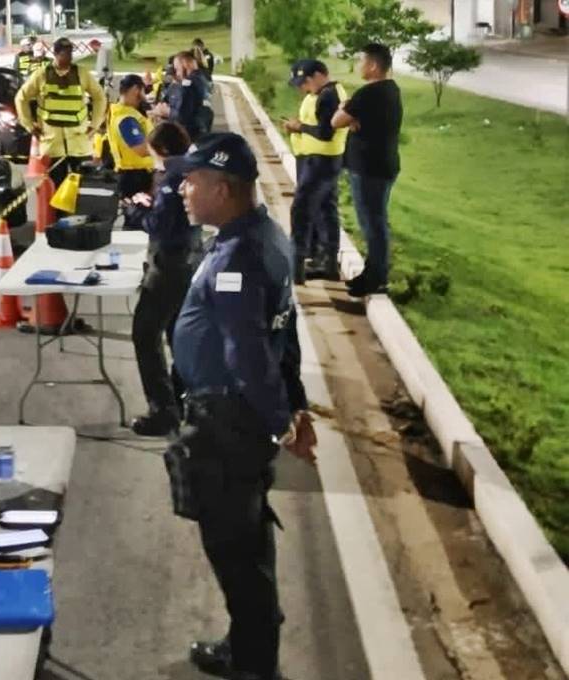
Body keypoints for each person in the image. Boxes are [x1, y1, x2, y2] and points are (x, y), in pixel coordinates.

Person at [168, 132, 316, 680]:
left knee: (235, 550)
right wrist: (295, 407)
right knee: (246, 541)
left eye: (193, 181)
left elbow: (248, 351)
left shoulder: (238, 256)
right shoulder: (263, 235)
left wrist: (284, 422)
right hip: (237, 421)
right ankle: (249, 645)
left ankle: (254, 665)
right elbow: (286, 330)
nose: (183, 189)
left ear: (224, 189)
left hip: (227, 426)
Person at [121, 122, 197, 435]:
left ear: (163, 151)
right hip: (187, 260)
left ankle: (163, 410)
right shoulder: (190, 168)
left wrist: (134, 212)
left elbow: (160, 225)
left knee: (145, 334)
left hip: (168, 265)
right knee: (177, 334)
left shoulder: (171, 178)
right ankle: (184, 400)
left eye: (153, 154)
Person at [332, 43, 403, 297]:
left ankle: (377, 278)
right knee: (376, 221)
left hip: (369, 168)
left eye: (361, 60)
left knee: (372, 223)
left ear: (373, 65)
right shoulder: (391, 90)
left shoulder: (368, 94)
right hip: (384, 165)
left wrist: (345, 109)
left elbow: (336, 122)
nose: (359, 65)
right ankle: (372, 272)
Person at [15, 37, 107, 215]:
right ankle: (62, 225)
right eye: (64, 53)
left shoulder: (82, 73)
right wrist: (29, 124)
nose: (68, 57)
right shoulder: (42, 74)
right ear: (56, 54)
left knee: (84, 189)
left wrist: (94, 125)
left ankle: (83, 225)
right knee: (59, 191)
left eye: (70, 53)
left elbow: (100, 97)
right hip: (53, 144)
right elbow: (21, 98)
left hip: (79, 143)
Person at [282, 59, 347, 283]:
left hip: (320, 161)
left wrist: (300, 127)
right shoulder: (328, 93)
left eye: (307, 81)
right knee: (327, 210)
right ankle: (328, 264)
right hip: (326, 159)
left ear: (321, 75)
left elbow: (325, 132)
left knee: (301, 211)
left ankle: (296, 267)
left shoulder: (328, 95)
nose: (304, 86)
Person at [107, 75, 155, 211]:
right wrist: (166, 148)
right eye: (143, 91)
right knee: (138, 219)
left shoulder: (118, 112)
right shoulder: (127, 119)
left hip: (132, 175)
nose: (145, 96)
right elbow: (140, 149)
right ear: (135, 89)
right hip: (135, 178)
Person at [156, 51, 211, 141]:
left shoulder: (189, 84)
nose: (177, 73)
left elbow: (184, 115)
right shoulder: (201, 78)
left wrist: (167, 111)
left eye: (177, 69)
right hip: (199, 133)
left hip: (188, 136)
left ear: (186, 64)